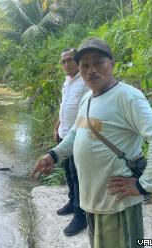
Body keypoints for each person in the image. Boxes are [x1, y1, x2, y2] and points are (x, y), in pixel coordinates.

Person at [32, 38, 152, 247]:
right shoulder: (88, 98)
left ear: (112, 64)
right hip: (94, 199)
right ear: (80, 70)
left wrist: (144, 186)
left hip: (117, 203)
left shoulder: (127, 97)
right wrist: (53, 155)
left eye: (98, 63)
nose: (91, 70)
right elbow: (74, 133)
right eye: (85, 65)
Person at [53, 48, 89, 236]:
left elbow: (88, 110)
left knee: (77, 175)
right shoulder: (67, 82)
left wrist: (79, 135)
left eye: (69, 60)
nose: (65, 64)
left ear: (77, 61)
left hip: (78, 136)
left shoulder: (85, 82)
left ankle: (80, 215)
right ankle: (71, 200)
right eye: (63, 61)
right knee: (68, 171)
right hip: (63, 133)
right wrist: (57, 126)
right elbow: (64, 106)